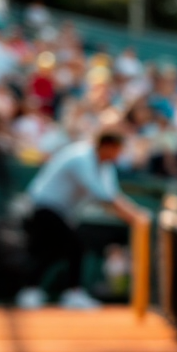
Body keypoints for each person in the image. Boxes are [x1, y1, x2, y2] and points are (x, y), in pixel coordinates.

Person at [16, 130, 151, 309]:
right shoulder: (81, 157)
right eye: (118, 150)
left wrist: (135, 215)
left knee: (54, 251)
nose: (119, 155)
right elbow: (104, 198)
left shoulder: (105, 166)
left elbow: (113, 194)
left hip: (60, 212)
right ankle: (70, 293)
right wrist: (137, 217)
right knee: (74, 247)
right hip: (42, 207)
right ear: (107, 147)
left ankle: (32, 291)